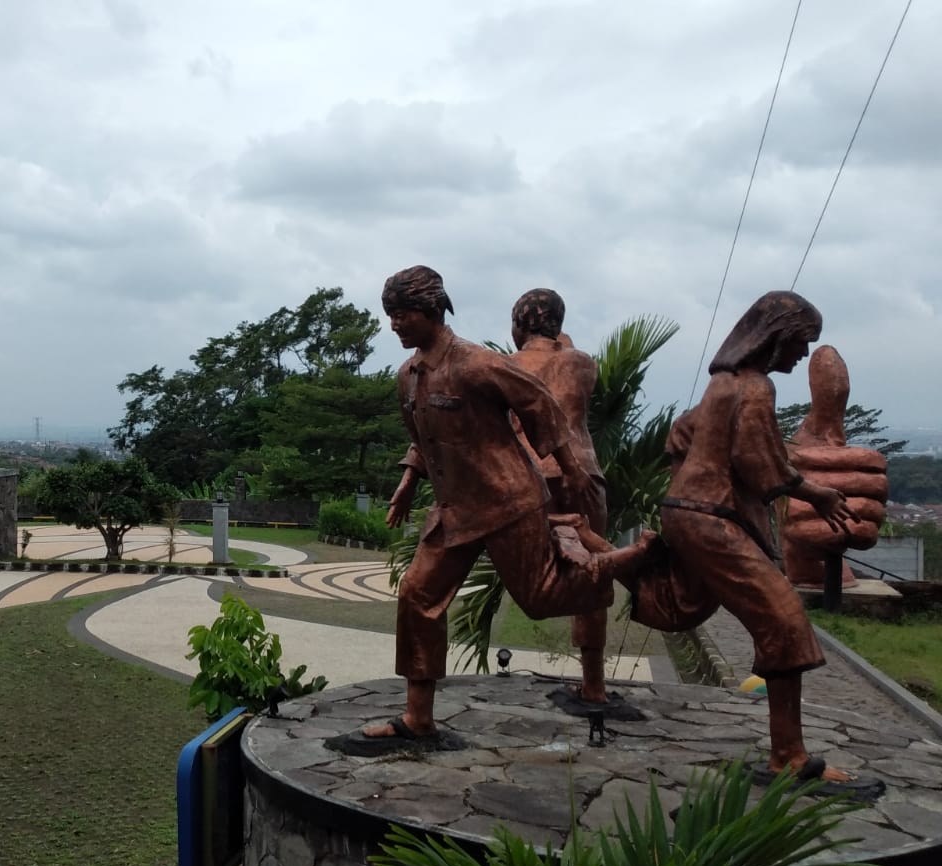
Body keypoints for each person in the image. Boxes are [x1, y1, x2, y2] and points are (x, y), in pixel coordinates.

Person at [334, 266, 647, 756]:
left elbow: (538, 403)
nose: (394, 324)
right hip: (455, 508)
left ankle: (624, 560)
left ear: (435, 310)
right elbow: (424, 438)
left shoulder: (476, 364)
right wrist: (405, 483)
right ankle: (417, 719)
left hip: (509, 502)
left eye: (403, 315)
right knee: (417, 596)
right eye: (390, 316)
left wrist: (571, 467)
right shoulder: (408, 376)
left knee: (543, 598)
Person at [626, 291, 868, 788]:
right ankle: (790, 758)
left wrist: (684, 482)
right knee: (783, 619)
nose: (801, 355)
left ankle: (632, 565)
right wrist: (818, 493)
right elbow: (762, 465)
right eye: (800, 343)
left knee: (689, 603)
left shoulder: (722, 384)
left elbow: (681, 432)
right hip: (710, 517)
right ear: (775, 337)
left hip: (690, 512)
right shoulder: (755, 388)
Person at [507, 288, 612, 705]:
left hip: (528, 474)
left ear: (517, 325)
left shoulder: (507, 365)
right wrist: (565, 344)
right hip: (583, 472)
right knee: (596, 572)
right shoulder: (580, 362)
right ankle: (594, 683)